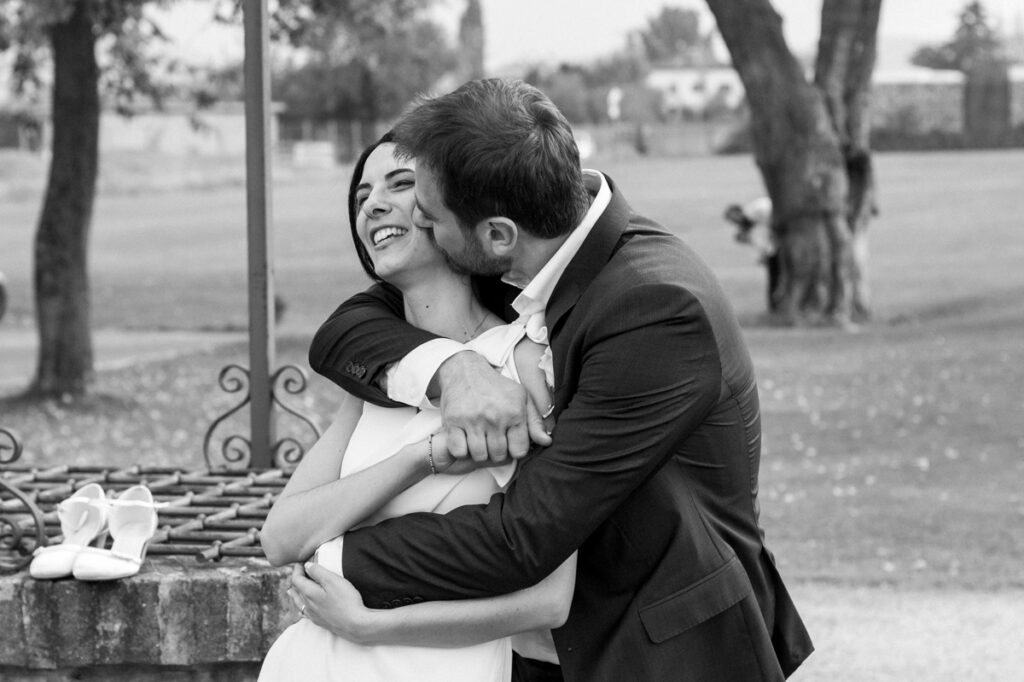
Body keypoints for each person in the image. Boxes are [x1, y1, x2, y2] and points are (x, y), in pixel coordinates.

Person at [301, 79, 814, 681]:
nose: (420, 224)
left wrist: (329, 554)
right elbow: (349, 327)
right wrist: (453, 368)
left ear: (496, 235)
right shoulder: (544, 236)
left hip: (660, 652)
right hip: (539, 656)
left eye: (431, 217)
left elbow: (525, 533)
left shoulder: (654, 309)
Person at [258, 133, 575, 682]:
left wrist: (370, 627)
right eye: (362, 196)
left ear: (454, 208)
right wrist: (419, 458)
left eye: (400, 185)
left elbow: (548, 601)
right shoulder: (383, 372)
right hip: (312, 661)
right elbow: (281, 536)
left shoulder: (525, 364)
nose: (372, 204)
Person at [724, 196, 780, 313]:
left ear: (737, 212)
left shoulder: (757, 209)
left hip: (776, 248)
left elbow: (768, 212)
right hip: (772, 250)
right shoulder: (751, 224)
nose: (734, 224)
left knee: (775, 278)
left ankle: (775, 306)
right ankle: (775, 306)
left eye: (733, 219)